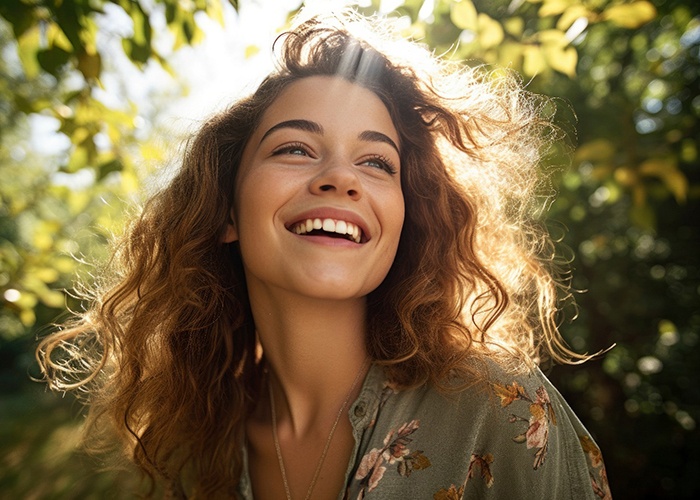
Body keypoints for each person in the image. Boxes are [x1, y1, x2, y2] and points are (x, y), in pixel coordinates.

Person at [37, 10, 611, 500]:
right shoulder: (194, 442)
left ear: (408, 217)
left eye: (376, 162)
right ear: (227, 212)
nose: (340, 177)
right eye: (295, 148)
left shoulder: (502, 409)